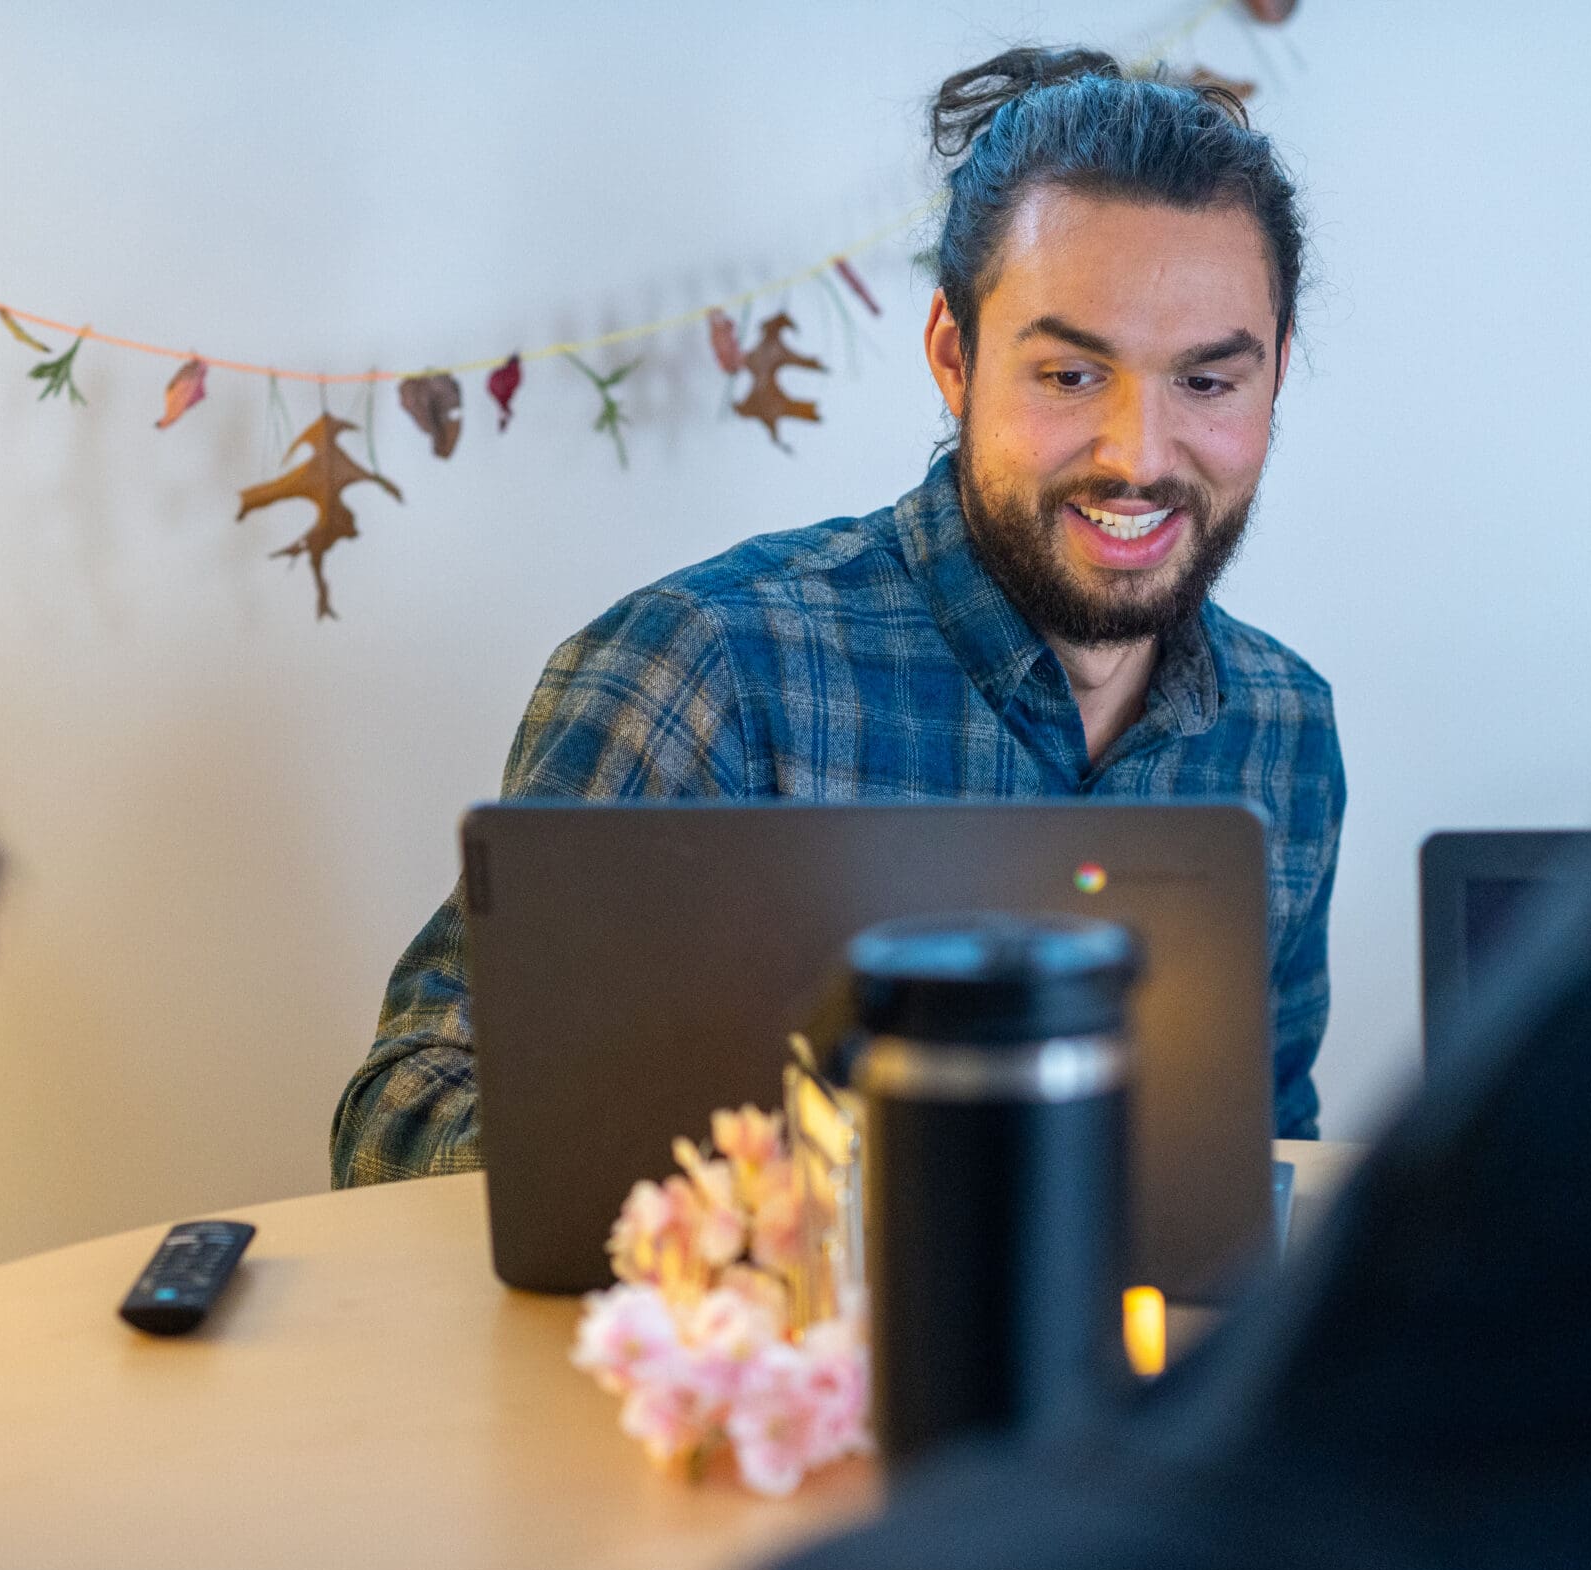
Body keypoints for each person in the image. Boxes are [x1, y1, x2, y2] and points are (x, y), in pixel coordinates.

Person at [335, 49, 1346, 1185]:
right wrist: (756, 1201)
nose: (1138, 454)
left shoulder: (1284, 726)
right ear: (952, 359)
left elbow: (1265, 1143)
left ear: (1273, 377)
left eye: (1207, 382)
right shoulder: (703, 667)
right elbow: (401, 1114)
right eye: (1069, 376)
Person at [638, 740, 1591, 1570]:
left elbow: (1271, 1120)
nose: (1143, 501)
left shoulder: (1279, 719)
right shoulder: (702, 653)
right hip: (722, 1404)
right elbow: (463, 1097)